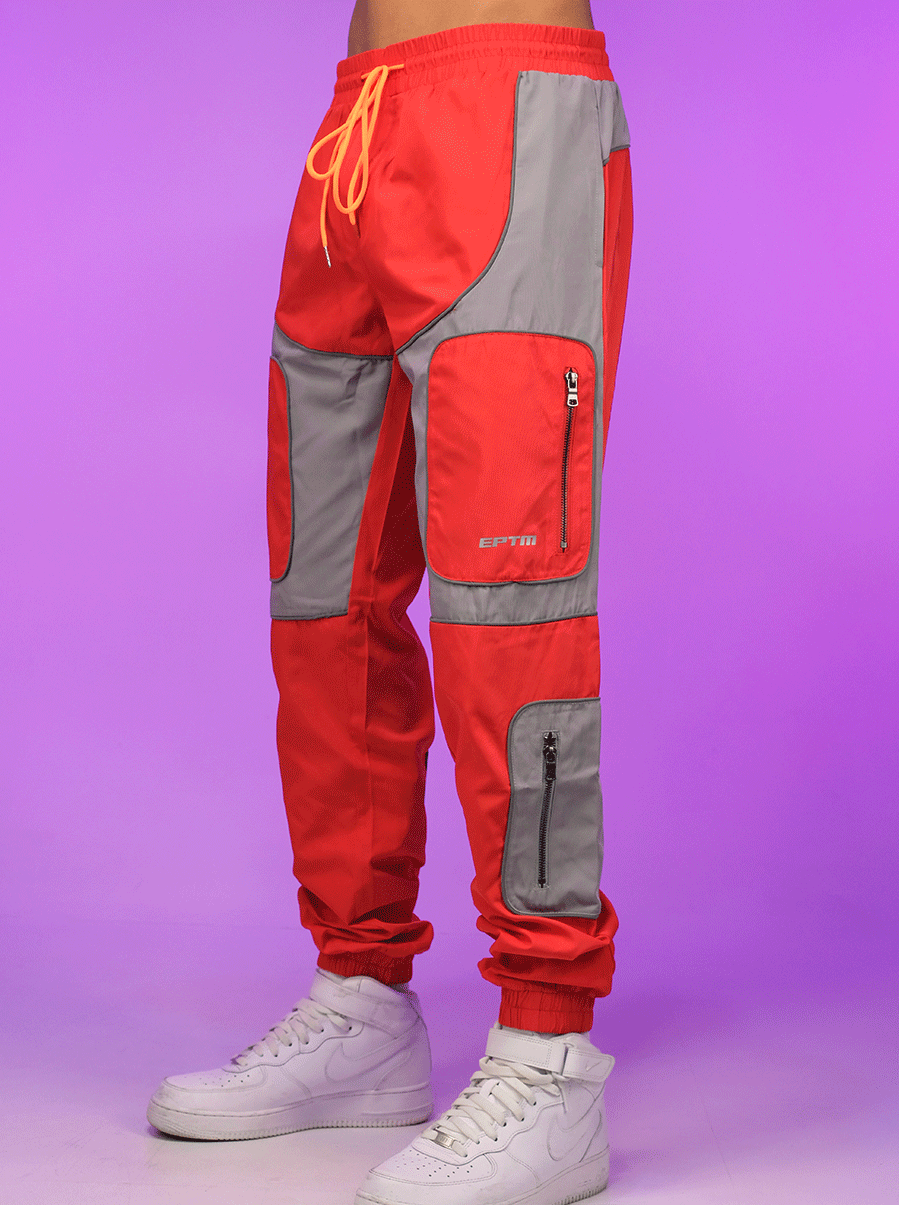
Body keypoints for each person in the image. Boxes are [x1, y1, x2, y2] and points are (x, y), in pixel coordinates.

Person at [148, 1, 632, 1200]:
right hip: (359, 119)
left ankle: (549, 1043)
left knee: (511, 603)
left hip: (511, 102)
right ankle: (361, 992)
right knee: (325, 592)